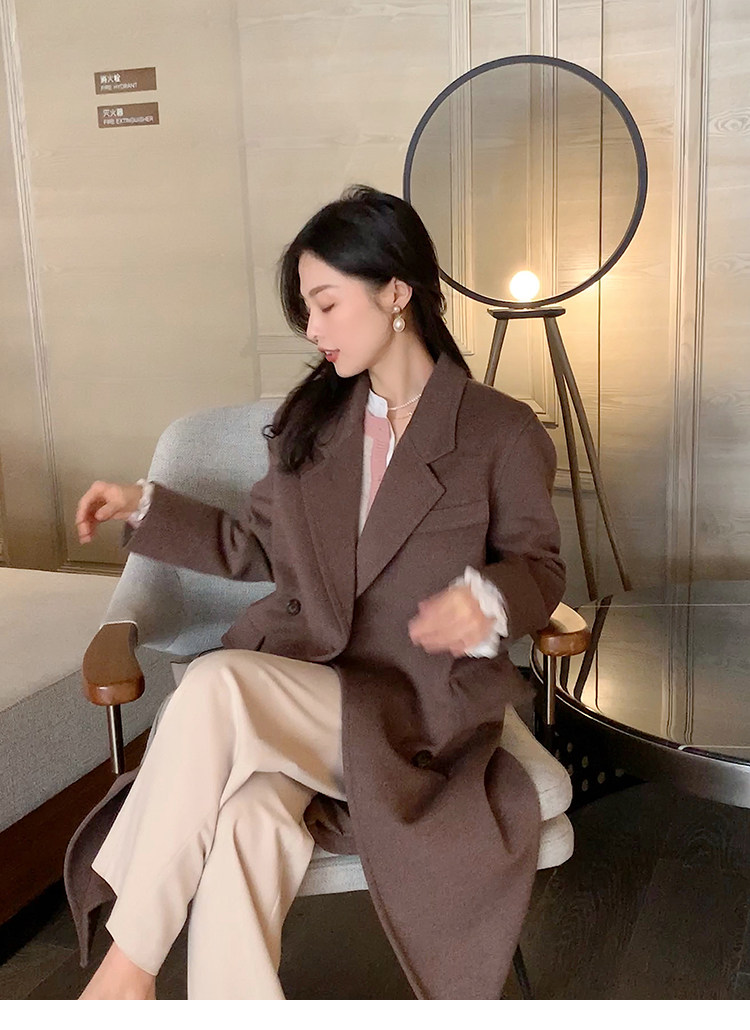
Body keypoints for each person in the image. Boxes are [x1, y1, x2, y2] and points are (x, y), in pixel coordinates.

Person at [68, 185, 565, 1000]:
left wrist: (489, 601)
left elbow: (539, 567)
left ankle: (128, 967)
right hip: (303, 688)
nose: (312, 328)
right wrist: (145, 507)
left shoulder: (498, 430)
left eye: (327, 304)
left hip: (409, 710)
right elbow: (261, 547)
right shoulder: (315, 421)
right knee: (247, 820)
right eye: (306, 308)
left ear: (396, 291)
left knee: (215, 683)